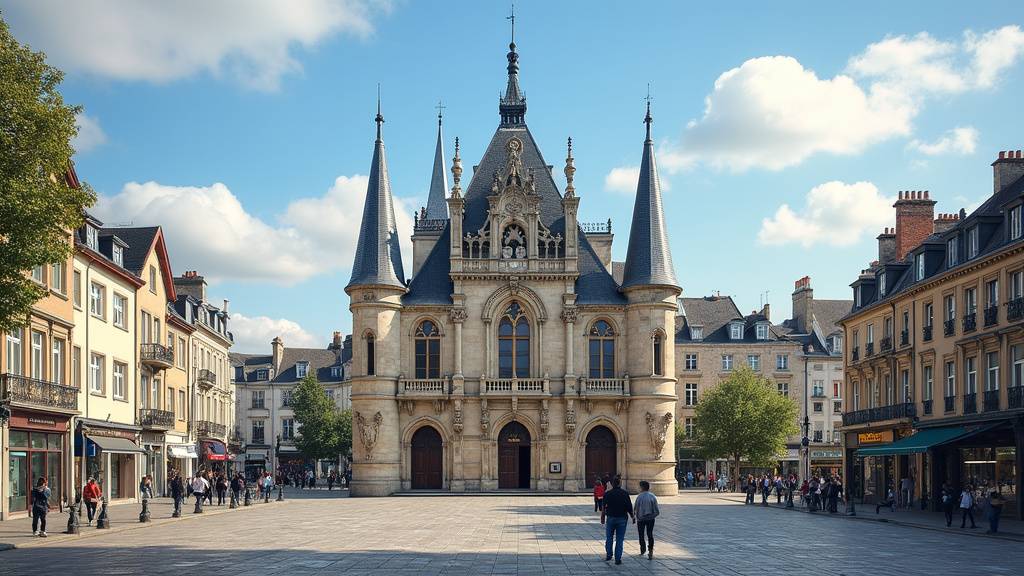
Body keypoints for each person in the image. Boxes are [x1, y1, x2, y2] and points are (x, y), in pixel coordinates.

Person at [600, 476, 634, 565]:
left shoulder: (607, 494)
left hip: (611, 518)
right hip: (622, 518)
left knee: (609, 537)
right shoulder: (625, 493)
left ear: (612, 484)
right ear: (620, 483)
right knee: (619, 539)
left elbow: (603, 507)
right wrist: (632, 516)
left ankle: (609, 554)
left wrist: (602, 517)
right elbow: (629, 507)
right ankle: (618, 558)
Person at [634, 480, 660, 560]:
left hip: (641, 519)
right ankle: (650, 550)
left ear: (642, 487)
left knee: (641, 534)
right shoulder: (652, 496)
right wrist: (652, 516)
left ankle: (643, 549)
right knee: (650, 534)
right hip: (650, 519)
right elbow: (656, 510)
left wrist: (635, 517)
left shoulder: (639, 497)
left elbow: (635, 508)